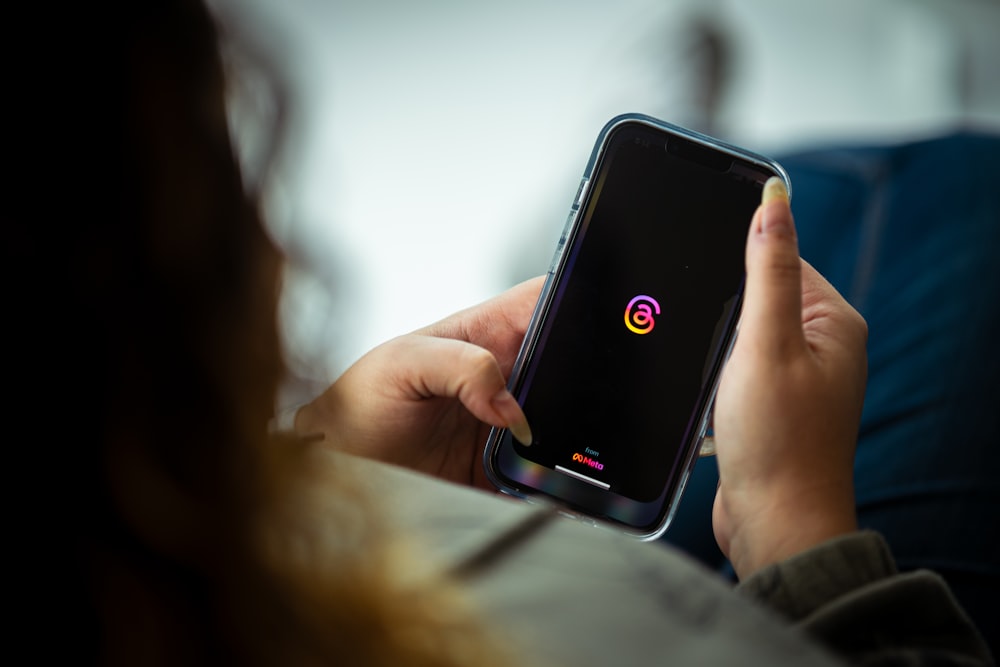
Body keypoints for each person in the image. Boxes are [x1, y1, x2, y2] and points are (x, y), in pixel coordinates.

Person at [21, 0, 991, 664]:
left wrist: (317, 471)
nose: (278, 249)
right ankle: (625, 204)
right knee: (948, 196)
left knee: (641, 295)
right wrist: (794, 526)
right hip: (767, 602)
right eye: (228, 188)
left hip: (524, 542)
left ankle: (608, 221)